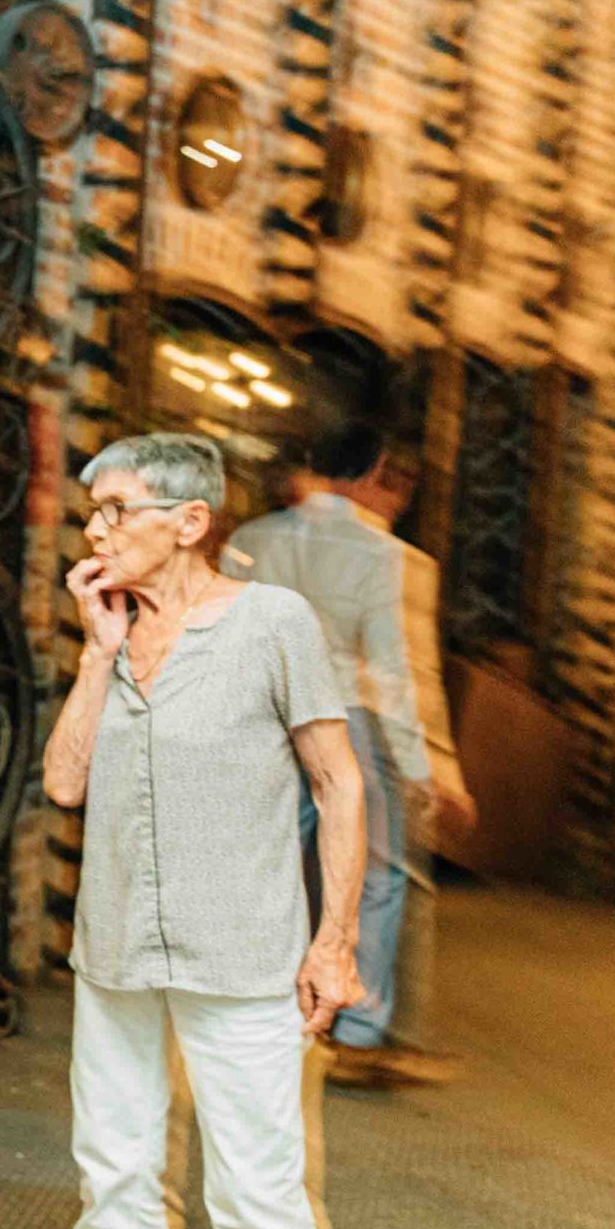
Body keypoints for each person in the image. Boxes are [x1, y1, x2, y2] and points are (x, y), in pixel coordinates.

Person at [36, 432, 365, 1229]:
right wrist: (96, 652)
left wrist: (335, 940)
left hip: (243, 954)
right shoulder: (114, 632)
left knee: (257, 1196)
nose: (94, 531)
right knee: (114, 1169)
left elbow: (338, 784)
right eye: (90, 512)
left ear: (189, 521)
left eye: (115, 509)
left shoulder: (272, 623)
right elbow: (63, 784)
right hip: (117, 951)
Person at [226, 421, 474, 1087]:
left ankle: (245, 1003)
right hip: (345, 721)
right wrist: (420, 767)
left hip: (269, 713)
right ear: (369, 475)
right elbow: (394, 669)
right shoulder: (382, 553)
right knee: (380, 875)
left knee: (269, 859)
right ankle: (357, 1030)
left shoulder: (255, 537)